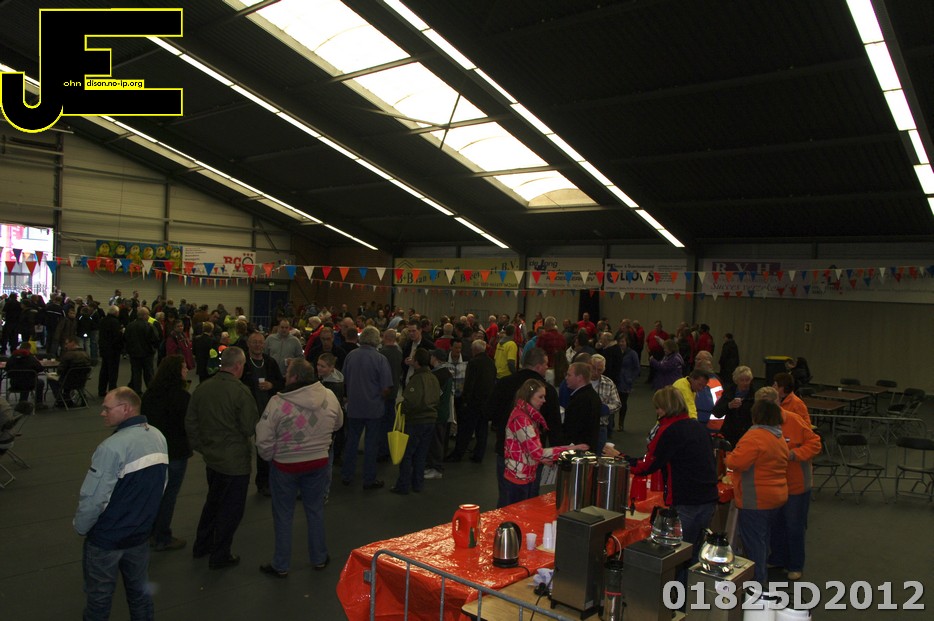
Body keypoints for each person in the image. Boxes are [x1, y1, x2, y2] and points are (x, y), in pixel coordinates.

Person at [73, 387, 168, 620]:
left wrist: (81, 526)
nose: (102, 413)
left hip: (106, 540)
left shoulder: (111, 447)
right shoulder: (158, 436)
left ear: (125, 409)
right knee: (140, 596)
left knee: (99, 601)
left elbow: (94, 499)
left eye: (107, 409)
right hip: (139, 536)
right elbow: (162, 485)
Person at [605, 386, 719, 564]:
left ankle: (677, 582)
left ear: (665, 408)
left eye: (657, 408)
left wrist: (619, 457)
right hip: (708, 498)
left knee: (678, 555)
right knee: (694, 553)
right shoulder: (697, 427)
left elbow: (646, 466)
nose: (656, 412)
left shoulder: (669, 430)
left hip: (686, 500)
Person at [255, 359, 342, 576]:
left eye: (287, 374)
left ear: (294, 377)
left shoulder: (278, 403)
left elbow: (263, 439)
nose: (284, 377)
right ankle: (319, 557)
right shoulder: (329, 397)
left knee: (283, 515)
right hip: (319, 463)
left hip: (285, 466)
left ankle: (281, 564)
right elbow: (338, 423)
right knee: (315, 510)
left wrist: (271, 457)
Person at [185, 346, 259, 570]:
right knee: (231, 509)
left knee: (213, 502)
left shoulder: (203, 388)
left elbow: (191, 423)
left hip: (212, 458)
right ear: (238, 366)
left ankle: (202, 544)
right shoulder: (241, 392)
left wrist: (204, 447)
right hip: (235, 461)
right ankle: (220, 554)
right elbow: (249, 427)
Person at [755, 387, 821, 582]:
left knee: (794, 526)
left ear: (777, 403)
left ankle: (795, 565)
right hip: (773, 486)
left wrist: (794, 454)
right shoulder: (760, 424)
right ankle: (778, 558)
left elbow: (815, 444)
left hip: (796, 486)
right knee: (776, 525)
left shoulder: (794, 420)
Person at [725, 399, 789, 587]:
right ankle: (761, 579)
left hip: (756, 499)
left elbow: (736, 462)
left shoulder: (755, 437)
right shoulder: (778, 436)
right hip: (776, 496)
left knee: (754, 545)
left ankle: (758, 585)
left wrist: (728, 456)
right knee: (763, 540)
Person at [503, 378, 585, 505]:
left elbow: (527, 448)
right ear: (529, 396)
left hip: (524, 475)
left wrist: (541, 459)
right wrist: (571, 449)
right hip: (519, 479)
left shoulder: (526, 415)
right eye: (540, 397)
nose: (544, 400)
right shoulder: (522, 419)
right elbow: (537, 452)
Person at [142, 355, 192, 552]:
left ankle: (149, 532)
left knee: (154, 494)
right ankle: (162, 536)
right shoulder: (182, 397)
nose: (187, 370)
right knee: (169, 495)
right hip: (175, 451)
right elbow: (187, 424)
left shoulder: (150, 394)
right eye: (183, 368)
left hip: (152, 450)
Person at [341, 325, 393, 490]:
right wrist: (380, 397)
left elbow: (344, 379)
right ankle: (369, 479)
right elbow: (386, 387)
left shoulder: (351, 356)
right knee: (371, 445)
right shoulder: (380, 359)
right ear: (376, 340)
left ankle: (347, 475)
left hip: (354, 407)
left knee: (351, 442)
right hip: (373, 408)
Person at [239, 331, 285, 496]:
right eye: (254, 342)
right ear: (248, 344)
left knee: (265, 447)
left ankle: (265, 482)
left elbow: (281, 383)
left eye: (260, 342)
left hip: (269, 412)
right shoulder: (243, 363)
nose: (258, 345)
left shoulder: (270, 362)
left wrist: (272, 385)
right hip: (249, 411)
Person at [390, 348, 440, 495]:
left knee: (407, 454)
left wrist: (400, 406)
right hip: (431, 419)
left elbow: (412, 402)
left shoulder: (417, 379)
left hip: (416, 421)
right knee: (421, 454)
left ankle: (403, 485)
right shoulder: (433, 378)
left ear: (417, 361)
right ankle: (418, 484)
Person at [447, 339, 496, 463]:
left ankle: (458, 454)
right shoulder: (491, 362)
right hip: (486, 401)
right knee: (482, 430)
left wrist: (465, 400)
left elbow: (469, 383)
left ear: (474, 350)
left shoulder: (473, 363)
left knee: (465, 430)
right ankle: (479, 454)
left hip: (474, 402)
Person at [563, 361, 602, 457]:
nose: (566, 378)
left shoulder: (581, 399)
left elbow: (574, 429)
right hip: (587, 448)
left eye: (569, 375)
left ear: (579, 378)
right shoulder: (591, 395)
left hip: (579, 452)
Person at [714, 365, 755, 448]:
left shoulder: (755, 395)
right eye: (742, 380)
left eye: (747, 380)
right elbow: (716, 412)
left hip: (747, 434)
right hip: (729, 433)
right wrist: (728, 406)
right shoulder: (728, 392)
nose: (745, 383)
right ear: (736, 381)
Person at [590, 354, 621, 453]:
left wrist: (605, 409)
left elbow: (617, 404)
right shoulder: (581, 380)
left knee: (599, 456)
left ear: (603, 370)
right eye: (593, 368)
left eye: (599, 370)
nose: (595, 372)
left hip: (600, 427)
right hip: (582, 426)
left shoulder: (609, 383)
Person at [48, 337, 92, 406]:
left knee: (51, 379)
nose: (65, 346)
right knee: (70, 377)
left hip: (67, 382)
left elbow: (60, 371)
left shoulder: (68, 355)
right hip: (81, 381)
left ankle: (60, 400)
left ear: (73, 343)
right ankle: (79, 397)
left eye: (67, 343)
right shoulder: (86, 355)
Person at [125, 307, 159, 394]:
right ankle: (151, 392)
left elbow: (125, 339)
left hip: (134, 354)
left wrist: (128, 350)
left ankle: (137, 392)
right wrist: (153, 349)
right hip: (147, 354)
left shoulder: (130, 326)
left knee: (136, 374)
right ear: (145, 315)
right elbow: (155, 339)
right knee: (149, 374)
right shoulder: (149, 326)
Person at [5, 341, 45, 406]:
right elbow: (40, 368)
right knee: (39, 382)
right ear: (29, 349)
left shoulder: (12, 358)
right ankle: (39, 403)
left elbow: (7, 369)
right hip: (30, 384)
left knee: (24, 379)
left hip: (15, 384)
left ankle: (23, 401)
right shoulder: (31, 358)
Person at [97, 305, 124, 397]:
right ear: (116, 312)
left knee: (104, 370)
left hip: (104, 349)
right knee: (113, 372)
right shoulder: (115, 322)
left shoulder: (103, 321)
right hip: (113, 350)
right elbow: (116, 337)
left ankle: (101, 390)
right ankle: (112, 390)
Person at [616, 336, 641, 432]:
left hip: (625, 382)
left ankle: (621, 423)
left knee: (623, 403)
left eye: (623, 341)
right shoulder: (616, 352)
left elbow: (637, 368)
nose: (621, 343)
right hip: (616, 379)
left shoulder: (632, 353)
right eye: (619, 341)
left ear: (627, 342)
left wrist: (631, 378)